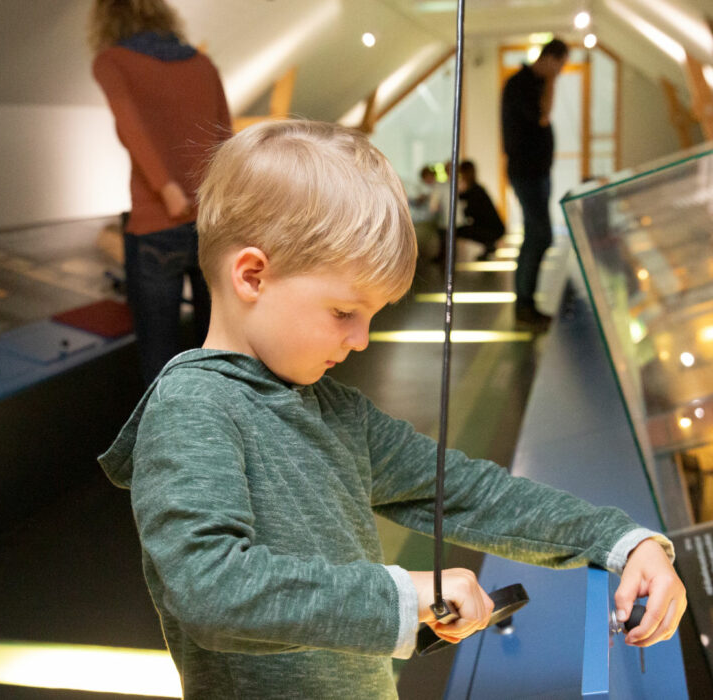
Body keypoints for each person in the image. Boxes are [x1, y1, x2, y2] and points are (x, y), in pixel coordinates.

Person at [98, 120, 686, 700]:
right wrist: (404, 596)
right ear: (253, 275)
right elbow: (209, 588)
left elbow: (469, 492)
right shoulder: (192, 407)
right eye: (343, 312)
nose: (361, 340)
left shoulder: (335, 410)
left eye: (371, 316)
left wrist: (620, 540)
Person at [90, 0, 232, 384]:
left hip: (157, 224)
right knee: (218, 353)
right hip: (210, 222)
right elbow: (225, 137)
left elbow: (131, 128)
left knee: (159, 358)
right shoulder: (203, 64)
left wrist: (166, 188)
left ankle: (171, 425)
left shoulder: (111, 62)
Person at [502, 38, 568, 328]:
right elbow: (542, 116)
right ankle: (524, 304)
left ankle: (527, 304)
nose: (561, 71)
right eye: (560, 65)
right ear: (550, 59)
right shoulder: (521, 85)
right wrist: (551, 81)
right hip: (526, 172)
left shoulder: (533, 83)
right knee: (540, 235)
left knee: (537, 234)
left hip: (537, 172)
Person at [456, 160, 505, 261]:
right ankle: (489, 246)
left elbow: (470, 212)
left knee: (457, 231)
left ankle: (489, 245)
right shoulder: (477, 189)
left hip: (492, 229)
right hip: (493, 228)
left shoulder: (475, 191)